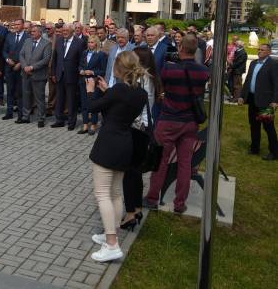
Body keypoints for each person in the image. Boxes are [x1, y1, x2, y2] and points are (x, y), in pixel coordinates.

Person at [86, 50, 147, 262]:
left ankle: (112, 244)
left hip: (109, 144)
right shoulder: (140, 93)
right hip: (125, 144)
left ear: (118, 69)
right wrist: (108, 91)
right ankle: (110, 232)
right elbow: (116, 110)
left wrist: (92, 90)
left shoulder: (118, 90)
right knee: (115, 193)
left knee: (102, 193)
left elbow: (92, 107)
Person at [144, 34, 209, 213]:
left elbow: (161, 87)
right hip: (190, 122)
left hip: (168, 120)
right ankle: (180, 204)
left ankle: (152, 198)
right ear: (196, 50)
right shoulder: (203, 71)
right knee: (185, 163)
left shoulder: (168, 69)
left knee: (161, 161)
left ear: (180, 48)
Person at [121, 46, 161, 231]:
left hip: (137, 128)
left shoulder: (142, 79)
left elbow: (135, 106)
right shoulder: (151, 77)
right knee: (135, 173)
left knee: (129, 174)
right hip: (143, 129)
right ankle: (136, 209)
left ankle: (130, 214)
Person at [239, 43, 278, 160]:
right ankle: (254, 148)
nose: (259, 51)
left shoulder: (273, 65)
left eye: (262, 50)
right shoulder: (253, 63)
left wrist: (275, 101)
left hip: (266, 102)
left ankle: (274, 152)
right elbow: (248, 81)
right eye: (258, 49)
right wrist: (242, 96)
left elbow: (277, 84)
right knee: (254, 125)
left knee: (268, 127)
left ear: (269, 52)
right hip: (252, 99)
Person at [18, 25, 52, 127]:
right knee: (26, 96)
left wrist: (32, 67)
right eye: (31, 31)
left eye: (33, 31)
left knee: (39, 98)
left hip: (38, 75)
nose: (31, 33)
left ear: (40, 33)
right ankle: (26, 116)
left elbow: (46, 60)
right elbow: (21, 54)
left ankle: (41, 118)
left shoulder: (47, 44)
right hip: (25, 74)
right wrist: (24, 67)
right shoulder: (27, 41)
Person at [51, 23, 83, 130]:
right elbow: (55, 58)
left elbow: (81, 61)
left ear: (72, 32)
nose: (64, 32)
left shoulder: (79, 42)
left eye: (66, 31)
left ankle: (71, 122)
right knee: (59, 99)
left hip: (72, 76)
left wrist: (79, 75)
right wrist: (53, 73)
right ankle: (59, 120)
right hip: (59, 75)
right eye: (63, 30)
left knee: (71, 100)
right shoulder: (59, 40)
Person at [78, 36, 107, 135]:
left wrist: (92, 72)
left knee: (93, 104)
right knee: (84, 103)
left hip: (94, 82)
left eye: (92, 42)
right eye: (89, 42)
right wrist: (81, 70)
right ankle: (85, 124)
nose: (90, 44)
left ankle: (94, 124)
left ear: (97, 43)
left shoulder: (101, 54)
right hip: (83, 81)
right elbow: (80, 65)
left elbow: (103, 70)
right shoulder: (84, 53)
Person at [2, 19, 28, 121]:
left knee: (20, 92)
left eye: (18, 24)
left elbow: (29, 54)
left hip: (21, 69)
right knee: (9, 91)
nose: (16, 26)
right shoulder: (9, 36)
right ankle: (9, 112)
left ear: (23, 25)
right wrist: (7, 59)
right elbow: (4, 50)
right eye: (15, 24)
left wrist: (20, 64)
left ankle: (21, 114)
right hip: (9, 68)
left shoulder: (28, 37)